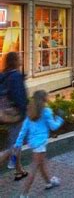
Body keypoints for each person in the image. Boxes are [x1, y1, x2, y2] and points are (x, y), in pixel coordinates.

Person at [14, 90, 64, 196]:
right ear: (44, 99)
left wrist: (18, 144)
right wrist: (59, 118)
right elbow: (53, 127)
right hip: (40, 144)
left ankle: (49, 182)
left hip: (34, 143)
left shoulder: (31, 112)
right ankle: (24, 194)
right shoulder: (46, 111)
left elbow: (23, 130)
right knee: (34, 169)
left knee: (42, 164)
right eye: (47, 96)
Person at [0, 52, 28, 181]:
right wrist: (24, 112)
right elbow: (19, 97)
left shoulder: (4, 75)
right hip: (16, 114)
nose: (21, 59)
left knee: (16, 141)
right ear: (15, 61)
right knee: (15, 145)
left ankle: (18, 170)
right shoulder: (15, 76)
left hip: (6, 114)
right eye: (19, 58)